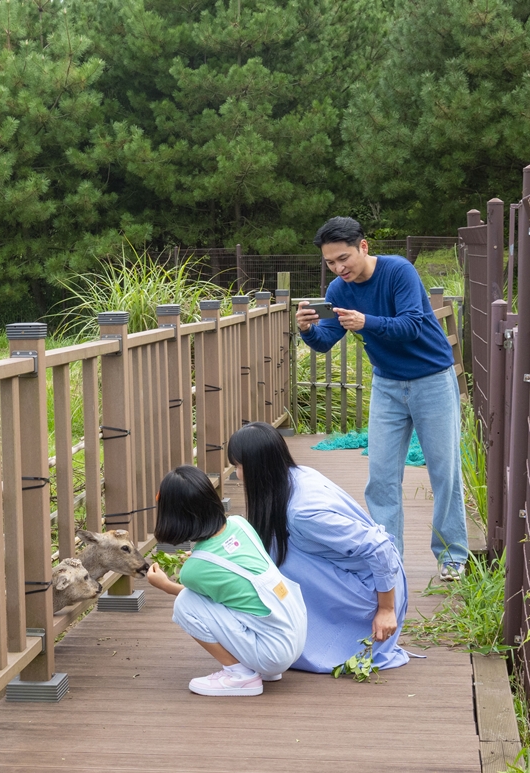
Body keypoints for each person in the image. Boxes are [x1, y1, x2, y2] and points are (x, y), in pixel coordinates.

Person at [297, 216, 468, 579]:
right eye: (330, 262)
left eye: (343, 258)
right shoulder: (338, 290)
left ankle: (452, 556)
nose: (338, 268)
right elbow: (326, 342)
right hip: (387, 385)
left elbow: (412, 325)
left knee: (444, 472)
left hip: (432, 379)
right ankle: (387, 558)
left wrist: (367, 322)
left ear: (363, 246)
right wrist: (308, 330)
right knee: (381, 477)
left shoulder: (398, 272)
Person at [227, 421, 410, 672]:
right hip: (364, 578)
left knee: (280, 559)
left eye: (239, 466)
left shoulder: (303, 512)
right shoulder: (296, 475)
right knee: (271, 548)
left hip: (375, 591)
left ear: (257, 469)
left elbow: (379, 547)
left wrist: (387, 609)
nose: (237, 474)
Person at [146, 465, 308, 697]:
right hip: (295, 634)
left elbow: (198, 598)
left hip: (273, 653)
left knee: (185, 603)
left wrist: (164, 585)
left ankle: (240, 676)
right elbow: (239, 573)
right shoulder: (239, 524)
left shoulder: (194, 570)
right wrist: (201, 559)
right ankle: (262, 666)